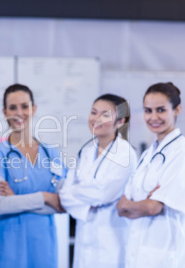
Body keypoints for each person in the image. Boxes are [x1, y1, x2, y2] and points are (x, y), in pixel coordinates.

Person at [0, 83, 67, 268]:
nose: (19, 112)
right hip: (9, 249)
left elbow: (63, 203)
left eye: (24, 106)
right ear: (4, 112)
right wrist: (46, 197)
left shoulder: (51, 153)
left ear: (34, 109)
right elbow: (1, 205)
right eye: (12, 107)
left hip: (43, 249)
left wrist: (17, 200)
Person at [117, 82, 185, 268]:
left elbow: (152, 208)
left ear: (177, 110)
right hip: (139, 253)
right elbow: (121, 207)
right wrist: (139, 204)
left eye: (161, 110)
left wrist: (139, 205)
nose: (153, 117)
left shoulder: (181, 153)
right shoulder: (149, 154)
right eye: (148, 110)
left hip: (166, 255)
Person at [59, 94, 138, 268]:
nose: (96, 119)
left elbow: (103, 194)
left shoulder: (125, 154)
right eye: (93, 112)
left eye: (105, 115)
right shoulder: (85, 151)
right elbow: (64, 194)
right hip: (84, 237)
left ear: (120, 122)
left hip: (111, 240)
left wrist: (77, 191)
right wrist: (87, 199)